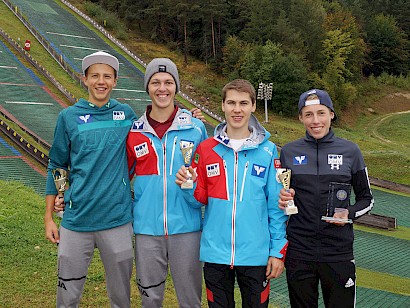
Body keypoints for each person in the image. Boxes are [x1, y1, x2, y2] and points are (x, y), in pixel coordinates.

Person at [176, 79, 288, 307]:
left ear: (253, 106)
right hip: (215, 254)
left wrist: (277, 251)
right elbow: (199, 200)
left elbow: (275, 207)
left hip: (256, 255)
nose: (237, 109)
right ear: (223, 105)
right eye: (232, 103)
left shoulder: (268, 151)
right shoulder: (206, 149)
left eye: (243, 103)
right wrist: (187, 185)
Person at [44, 51, 137, 307]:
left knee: (120, 297)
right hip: (76, 220)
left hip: (116, 219)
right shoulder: (68, 117)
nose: (101, 81)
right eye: (95, 75)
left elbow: (150, 138)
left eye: (107, 76)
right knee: (67, 295)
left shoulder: (126, 114)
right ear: (84, 79)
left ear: (115, 81)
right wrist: (51, 212)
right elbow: (57, 163)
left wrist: (189, 119)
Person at [278, 89, 374, 308]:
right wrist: (283, 199)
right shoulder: (289, 152)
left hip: (338, 252)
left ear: (331, 114)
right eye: (308, 114)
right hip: (299, 251)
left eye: (321, 113)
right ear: (300, 118)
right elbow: (282, 197)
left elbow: (367, 199)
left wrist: (347, 213)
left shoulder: (350, 151)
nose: (315, 121)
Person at [126, 58, 208, 307]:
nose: (162, 88)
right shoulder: (133, 131)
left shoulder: (196, 128)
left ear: (176, 87)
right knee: (150, 299)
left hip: (187, 228)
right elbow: (120, 177)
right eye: (156, 82)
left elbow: (205, 178)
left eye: (168, 82)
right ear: (147, 87)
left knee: (190, 300)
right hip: (147, 230)